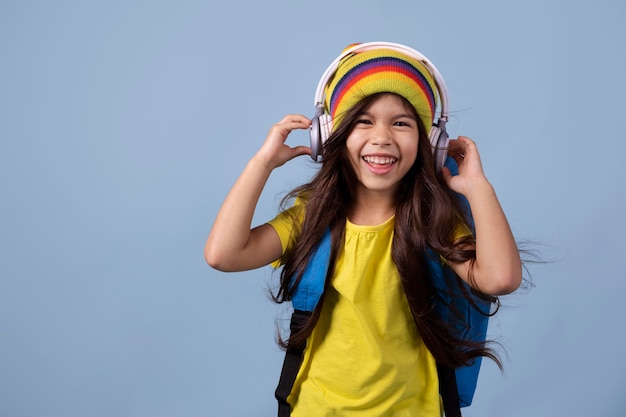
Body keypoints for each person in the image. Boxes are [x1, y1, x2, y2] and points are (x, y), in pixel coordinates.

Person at [204, 42, 522, 416]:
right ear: (330, 136)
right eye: (363, 121)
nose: (382, 137)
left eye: (401, 122)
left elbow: (500, 278)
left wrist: (478, 188)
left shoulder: (433, 220)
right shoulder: (311, 217)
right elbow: (223, 255)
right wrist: (262, 163)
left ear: (429, 142)